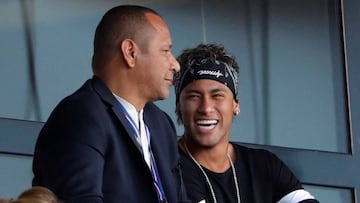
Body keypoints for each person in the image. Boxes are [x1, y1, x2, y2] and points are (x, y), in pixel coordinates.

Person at [32, 5, 188, 203]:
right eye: (165, 51)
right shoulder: (80, 117)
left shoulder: (161, 123)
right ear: (130, 52)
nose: (175, 65)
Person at [173, 43, 320, 203]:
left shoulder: (263, 164)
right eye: (194, 96)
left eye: (217, 95)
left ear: (235, 105)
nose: (206, 108)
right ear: (179, 106)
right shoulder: (169, 167)